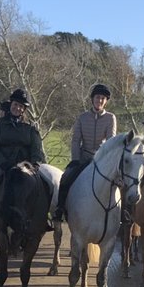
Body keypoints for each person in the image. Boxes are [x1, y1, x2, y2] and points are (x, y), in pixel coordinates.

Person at [0, 87, 47, 227]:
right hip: (3, 164)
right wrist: (2, 162)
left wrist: (34, 164)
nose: (17, 108)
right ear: (11, 104)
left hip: (25, 166)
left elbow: (36, 148)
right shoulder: (0, 123)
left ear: (24, 109)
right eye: (15, 105)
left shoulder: (30, 126)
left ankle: (42, 218)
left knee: (44, 184)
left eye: (20, 106)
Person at [52, 83, 117, 221]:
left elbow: (111, 141)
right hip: (83, 157)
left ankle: (121, 215)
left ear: (106, 102)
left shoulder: (110, 118)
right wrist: (76, 159)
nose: (99, 100)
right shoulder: (82, 117)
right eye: (97, 97)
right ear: (92, 99)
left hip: (101, 159)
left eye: (102, 98)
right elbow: (76, 140)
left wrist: (106, 160)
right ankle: (60, 209)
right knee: (66, 177)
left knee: (119, 181)